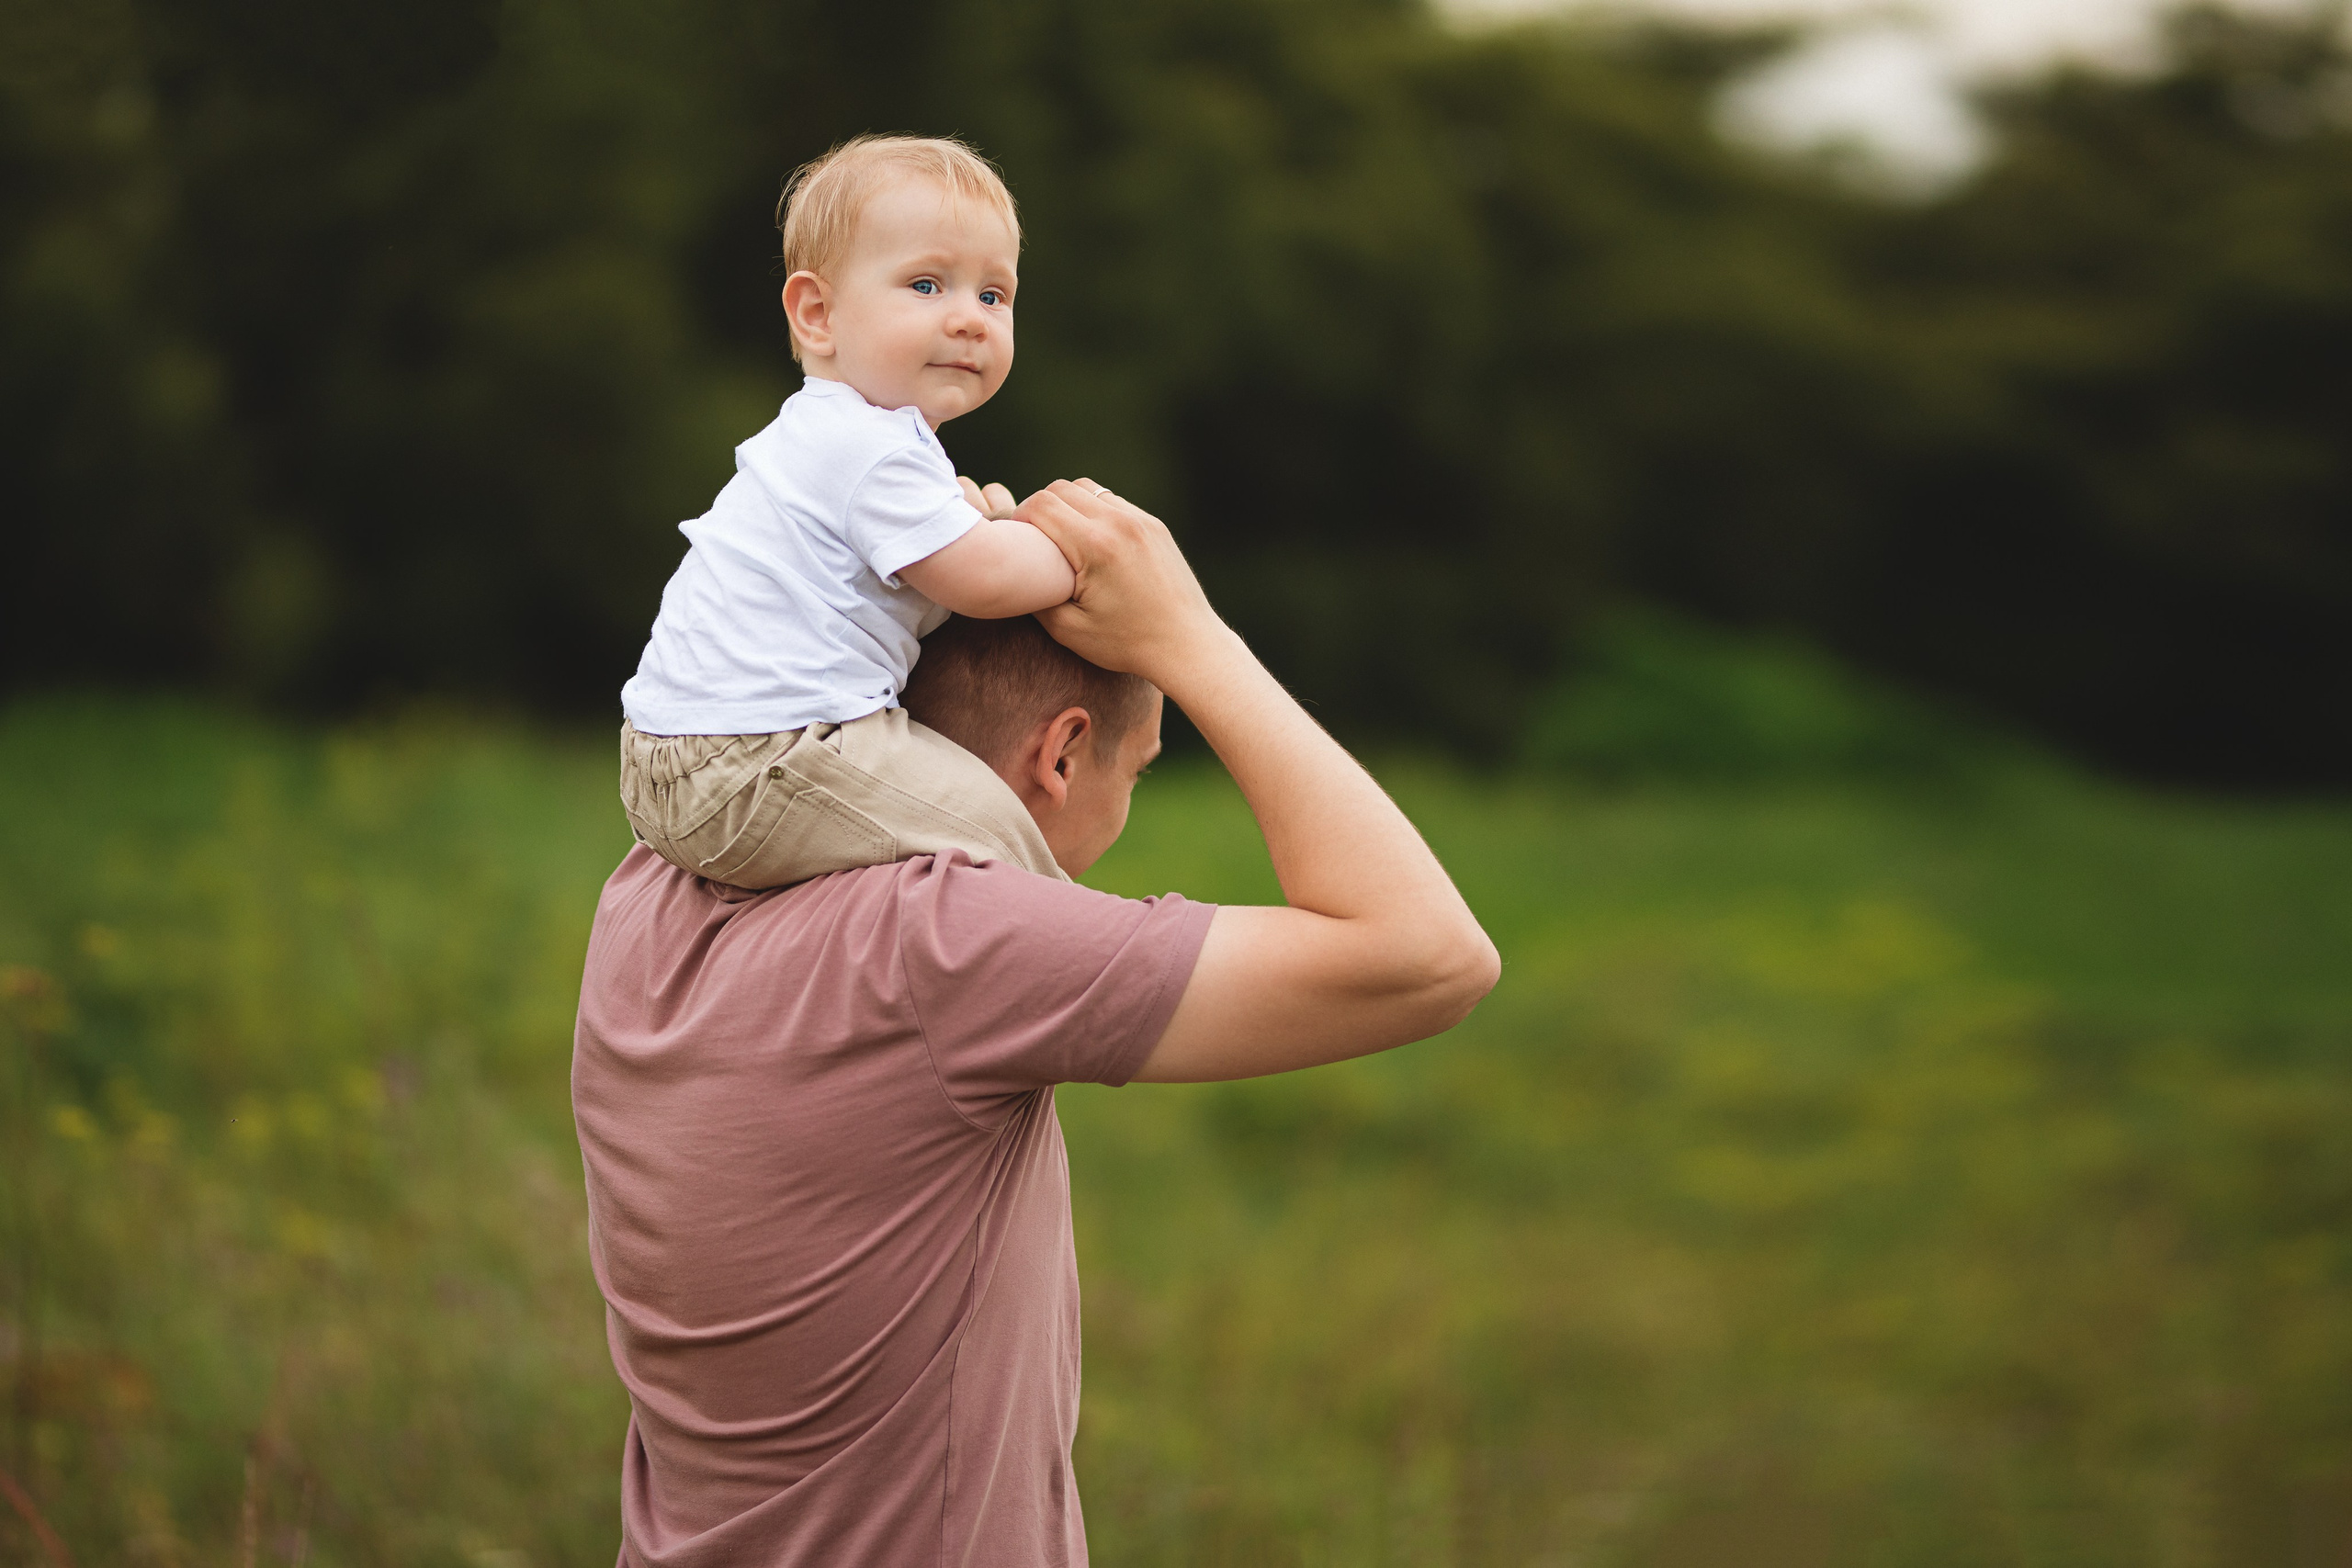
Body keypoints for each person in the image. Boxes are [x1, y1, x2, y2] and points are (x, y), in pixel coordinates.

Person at [571, 483, 1501, 1566]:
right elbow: (1433, 959)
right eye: (1135, 772)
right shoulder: (943, 943)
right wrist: (1194, 641)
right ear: (1059, 756)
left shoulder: (648, 888)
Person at [616, 133, 1079, 893]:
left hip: (667, 753)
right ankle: (1060, 947)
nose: (971, 318)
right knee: (998, 829)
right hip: (767, 751)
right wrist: (1077, 554)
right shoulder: (871, 449)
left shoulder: (827, 434)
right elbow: (987, 580)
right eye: (927, 284)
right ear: (818, 313)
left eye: (993, 295)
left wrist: (970, 521)